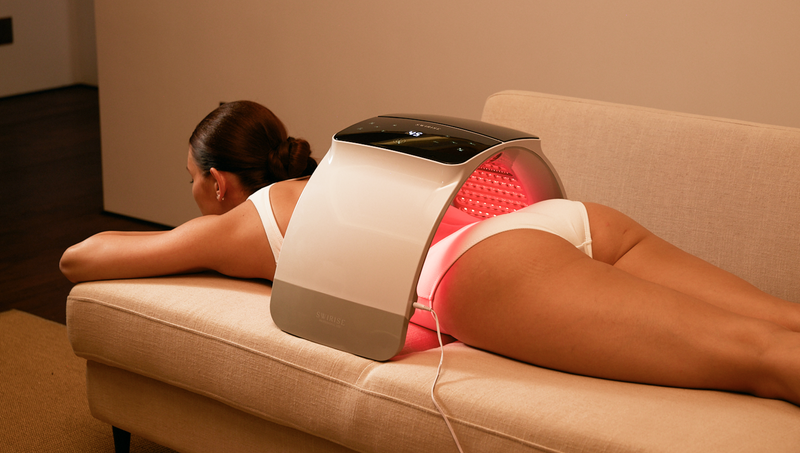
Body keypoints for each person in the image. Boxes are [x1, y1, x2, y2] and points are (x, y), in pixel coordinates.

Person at [60, 101, 800, 407]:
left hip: (487, 270)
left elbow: (81, 259)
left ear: (219, 182)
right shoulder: (338, 177)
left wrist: (181, 241)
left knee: (761, 360)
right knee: (780, 322)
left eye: (191, 181)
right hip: (562, 217)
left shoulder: (249, 219)